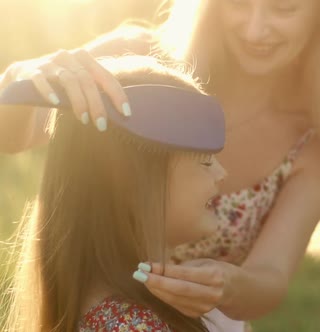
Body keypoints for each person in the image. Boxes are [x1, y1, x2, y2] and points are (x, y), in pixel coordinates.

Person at [0, 0, 320, 330]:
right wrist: (21, 82)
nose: (255, 27)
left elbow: (270, 278)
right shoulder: (140, 63)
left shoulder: (318, 146)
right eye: (238, 2)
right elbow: (11, 137)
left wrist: (224, 285)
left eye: (284, 8)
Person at [1, 56, 227, 332]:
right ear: (132, 182)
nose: (221, 173)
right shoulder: (136, 326)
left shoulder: (102, 307)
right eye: (205, 160)